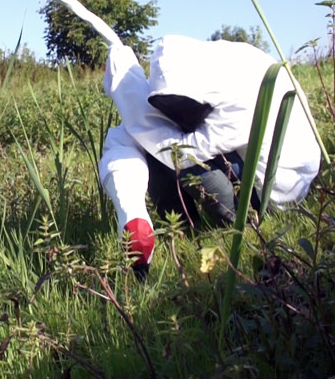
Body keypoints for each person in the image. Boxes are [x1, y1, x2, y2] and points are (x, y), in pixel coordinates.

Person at [99, 35, 321, 276]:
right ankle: (179, 233)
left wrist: (127, 93)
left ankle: (205, 228)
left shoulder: (243, 93)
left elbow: (178, 150)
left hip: (274, 197)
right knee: (154, 140)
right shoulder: (221, 63)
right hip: (260, 168)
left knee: (167, 151)